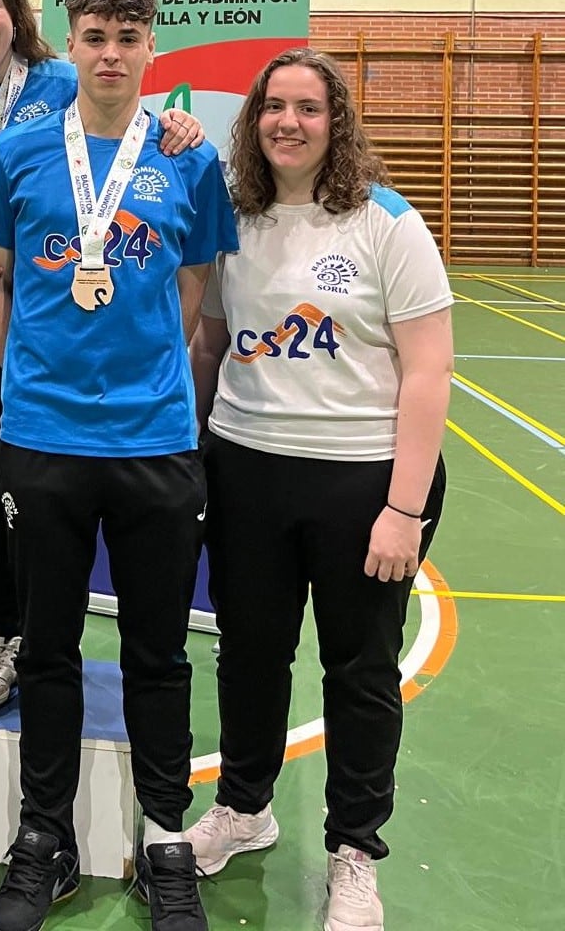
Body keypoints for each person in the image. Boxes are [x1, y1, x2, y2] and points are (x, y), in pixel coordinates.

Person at [0, 0, 238, 931]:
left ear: (151, 48)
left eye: (128, 36)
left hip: (156, 439)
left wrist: (147, 369)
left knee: (157, 651)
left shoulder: (186, 161)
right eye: (94, 35)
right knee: (48, 649)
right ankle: (45, 839)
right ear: (68, 46)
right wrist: (32, 370)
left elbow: (194, 287)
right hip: (41, 440)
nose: (111, 52)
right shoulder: (20, 154)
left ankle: (166, 839)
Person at [0, 0, 203, 713]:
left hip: (51, 310)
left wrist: (177, 124)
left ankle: (47, 633)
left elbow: (127, 122)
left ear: (19, 16)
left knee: (47, 483)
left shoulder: (63, 79)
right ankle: (4, 633)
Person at [187, 48, 452, 931]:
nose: (287, 123)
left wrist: (403, 509)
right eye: (273, 107)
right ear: (253, 120)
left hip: (362, 480)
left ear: (336, 123)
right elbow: (212, 344)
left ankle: (354, 851)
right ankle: (245, 806)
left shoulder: (388, 224)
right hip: (248, 468)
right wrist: (190, 453)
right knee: (251, 654)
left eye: (307, 108)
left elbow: (428, 372)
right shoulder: (237, 216)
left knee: (360, 670)